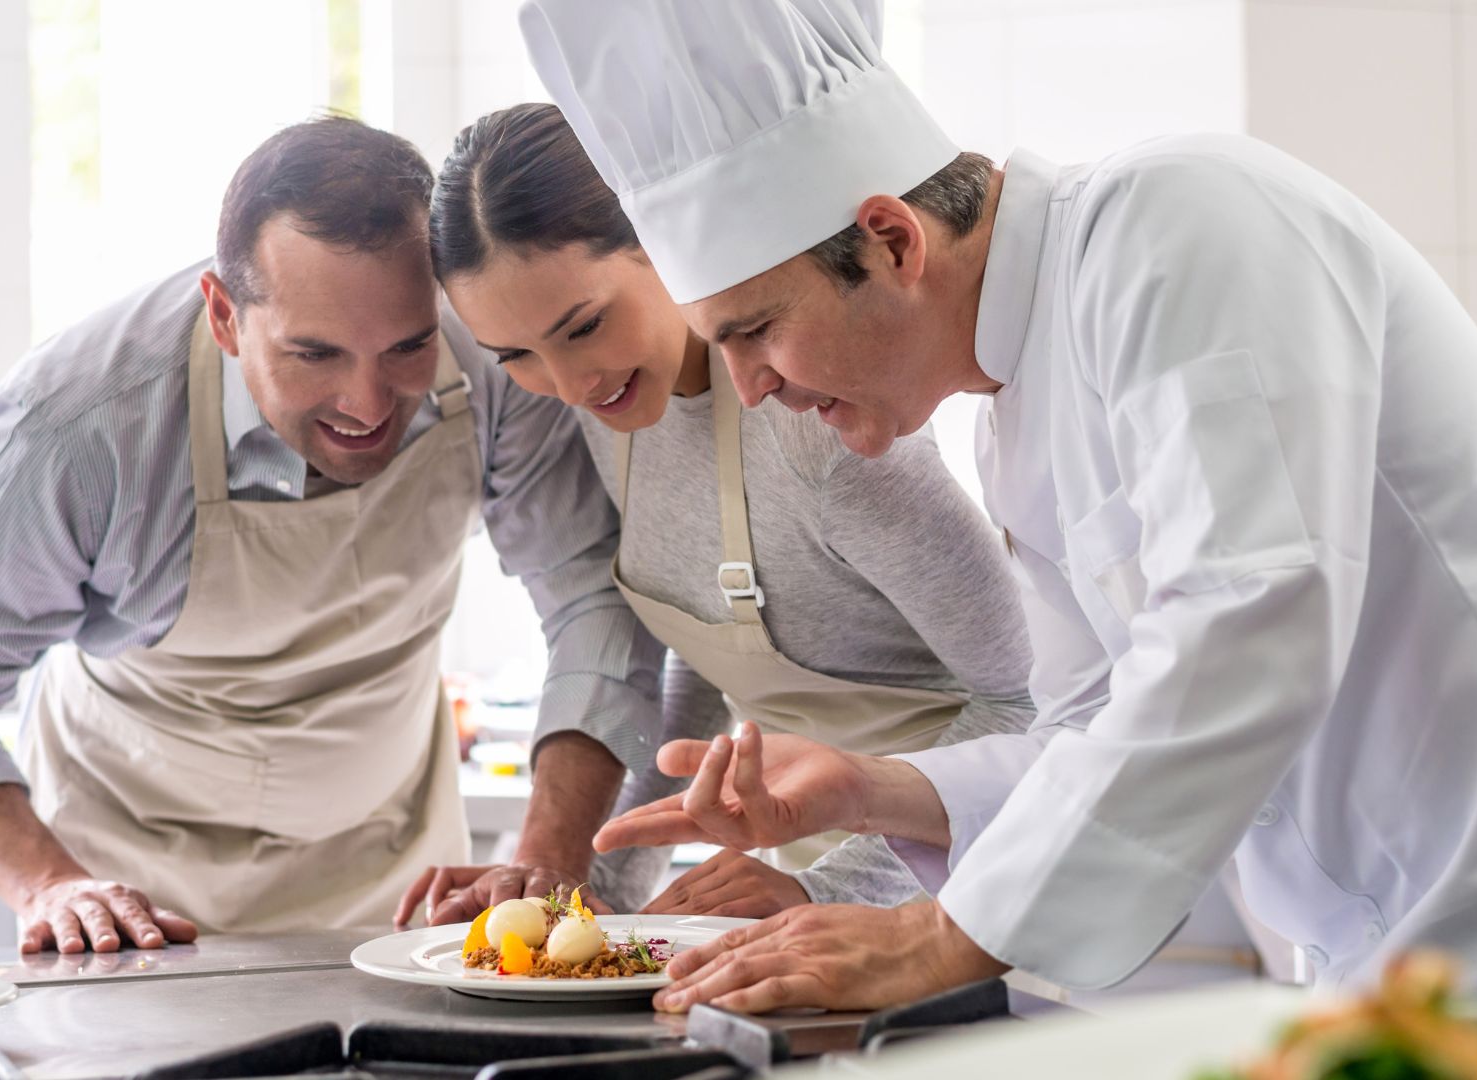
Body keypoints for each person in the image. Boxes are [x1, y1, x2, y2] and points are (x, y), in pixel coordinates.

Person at [523, 0, 1477, 1009]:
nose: (748, 387)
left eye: (754, 330)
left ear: (890, 240)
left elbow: (1249, 620)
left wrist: (943, 940)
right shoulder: (1012, 415)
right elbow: (1090, 728)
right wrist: (869, 787)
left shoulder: (1183, 222)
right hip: (1387, 959)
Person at [0, 116, 667, 952]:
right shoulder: (80, 427)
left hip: (398, 889)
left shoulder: (495, 353)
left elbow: (591, 602)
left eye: (407, 348)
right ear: (223, 315)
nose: (365, 404)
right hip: (130, 910)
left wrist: (547, 859)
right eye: (313, 355)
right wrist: (48, 883)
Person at [403, 102, 1035, 922]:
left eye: (585, 326)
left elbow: (1028, 701)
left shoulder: (822, 433)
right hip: (805, 902)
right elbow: (705, 664)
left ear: (664, 247)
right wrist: (595, 904)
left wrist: (826, 893)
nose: (570, 384)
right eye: (517, 355)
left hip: (971, 888)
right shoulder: (615, 417)